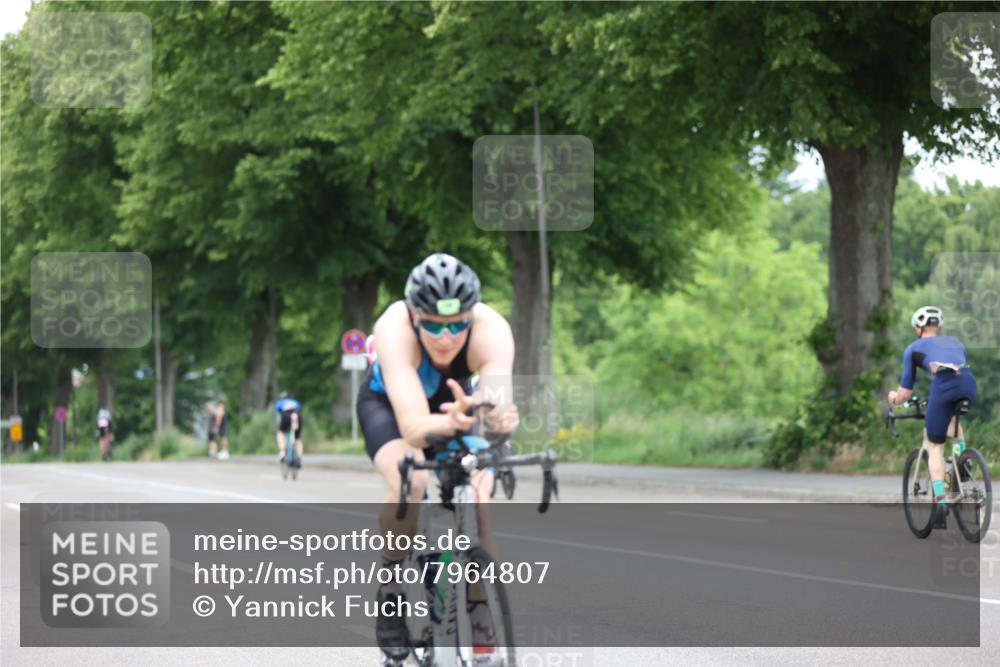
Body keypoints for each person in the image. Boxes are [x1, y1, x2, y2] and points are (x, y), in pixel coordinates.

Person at [356, 252, 519, 660]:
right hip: (391, 407)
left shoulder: (492, 330)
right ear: (415, 315)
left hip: (458, 407)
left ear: (471, 316)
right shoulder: (394, 327)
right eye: (432, 325)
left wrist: (499, 420)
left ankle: (480, 610)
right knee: (411, 482)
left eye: (457, 324)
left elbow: (498, 407)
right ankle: (392, 586)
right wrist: (451, 424)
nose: (445, 337)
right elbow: (413, 427)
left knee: (477, 496)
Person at [887, 306, 978, 526]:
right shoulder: (955, 341)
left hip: (944, 385)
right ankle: (962, 459)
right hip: (969, 383)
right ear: (939, 326)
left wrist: (894, 399)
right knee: (952, 420)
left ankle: (939, 502)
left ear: (918, 327)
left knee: (935, 445)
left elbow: (905, 392)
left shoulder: (913, 348)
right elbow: (958, 365)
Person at [274, 392, 303, 466]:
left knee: (280, 433)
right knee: (297, 438)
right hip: (297, 416)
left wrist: (280, 426)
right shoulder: (296, 402)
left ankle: (283, 453)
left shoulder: (280, 403)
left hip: (286, 416)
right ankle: (299, 458)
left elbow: (278, 416)